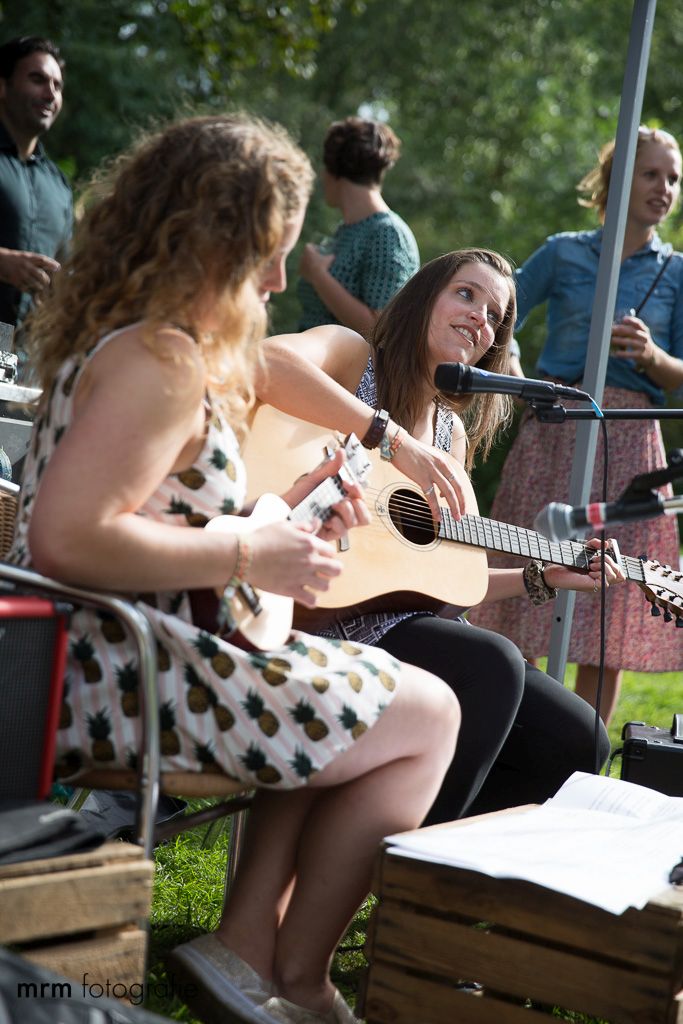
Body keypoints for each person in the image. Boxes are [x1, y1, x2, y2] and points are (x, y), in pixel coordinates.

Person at [8, 114, 460, 1024]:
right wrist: (253, 550)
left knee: (386, 698)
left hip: (114, 657)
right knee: (429, 715)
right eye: (271, 253)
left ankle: (264, 961)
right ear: (212, 241)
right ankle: (288, 974)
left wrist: (299, 500)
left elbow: (216, 434)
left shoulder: (147, 341)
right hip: (126, 677)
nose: (282, 280)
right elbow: (66, 539)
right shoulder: (163, 363)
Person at [260, 248, 623, 825]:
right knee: (493, 663)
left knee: (580, 738)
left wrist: (542, 575)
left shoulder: (451, 433)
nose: (480, 317)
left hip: (402, 622)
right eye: (466, 294)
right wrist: (392, 439)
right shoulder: (355, 358)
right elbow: (264, 361)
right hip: (316, 609)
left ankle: (435, 852)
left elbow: (438, 578)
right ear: (425, 296)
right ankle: (398, 857)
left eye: (495, 316)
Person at [468, 126, 683, 725]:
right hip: (555, 425)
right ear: (617, 179)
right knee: (526, 583)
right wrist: (515, 375)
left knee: (608, 607)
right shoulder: (564, 252)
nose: (665, 188)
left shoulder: (677, 270)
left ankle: (580, 750)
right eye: (651, 174)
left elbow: (680, 375)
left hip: (629, 439)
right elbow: (498, 312)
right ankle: (513, 741)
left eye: (673, 179)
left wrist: (652, 356)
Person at [297, 115, 419, 336]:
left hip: (345, 360)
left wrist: (318, 274)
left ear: (335, 172)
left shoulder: (388, 234)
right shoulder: (347, 229)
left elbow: (380, 330)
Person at [0, 36, 72, 378]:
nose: (50, 93)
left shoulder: (58, 186)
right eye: (37, 79)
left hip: (26, 367)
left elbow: (68, 269)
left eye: (57, 86)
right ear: (2, 87)